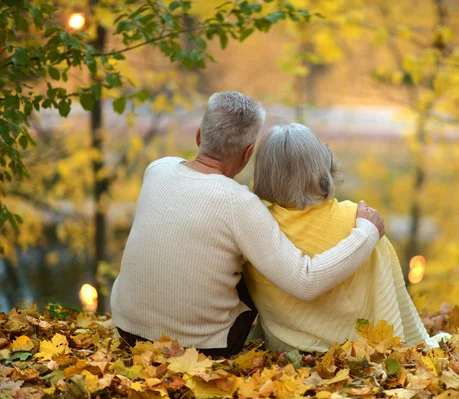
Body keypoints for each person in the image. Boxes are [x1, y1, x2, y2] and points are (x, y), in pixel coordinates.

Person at [110, 92, 385, 357]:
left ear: (198, 136)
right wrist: (365, 233)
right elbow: (305, 281)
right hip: (198, 347)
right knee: (253, 261)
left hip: (127, 329)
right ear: (247, 153)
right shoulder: (239, 202)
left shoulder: (157, 169)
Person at [245, 123, 439, 352]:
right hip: (358, 352)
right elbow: (392, 296)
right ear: (322, 167)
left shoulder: (255, 225)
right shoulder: (359, 220)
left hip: (283, 355)